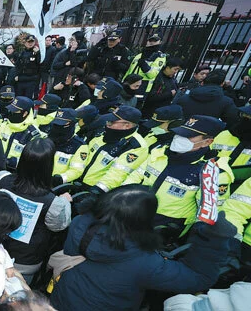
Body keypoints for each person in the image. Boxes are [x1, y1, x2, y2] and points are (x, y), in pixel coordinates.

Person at [49, 185, 236, 311]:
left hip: (62, 296)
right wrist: (214, 239)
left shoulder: (79, 223)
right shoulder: (144, 261)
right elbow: (198, 278)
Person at [125, 116, 233, 241]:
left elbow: (207, 215)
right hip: (135, 212)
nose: (179, 138)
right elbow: (135, 176)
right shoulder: (160, 152)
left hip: (165, 227)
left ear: (207, 142)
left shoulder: (213, 171)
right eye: (180, 134)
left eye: (188, 136)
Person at [0, 138, 72, 283]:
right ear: (48, 166)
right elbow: (58, 226)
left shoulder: (3, 179)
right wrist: (65, 202)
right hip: (24, 262)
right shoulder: (54, 203)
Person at [81, 106, 149, 194]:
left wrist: (98, 190)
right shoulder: (105, 132)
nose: (107, 124)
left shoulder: (136, 146)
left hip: (97, 190)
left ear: (127, 125)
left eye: (111, 122)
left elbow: (118, 173)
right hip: (78, 180)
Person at [0, 96, 42, 170]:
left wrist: (12, 162)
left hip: (15, 173)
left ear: (25, 113)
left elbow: (33, 161)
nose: (11, 112)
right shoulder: (2, 124)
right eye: (11, 110)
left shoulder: (33, 135)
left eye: (15, 111)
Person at [175, 69, 240, 127]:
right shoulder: (227, 102)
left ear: (202, 83)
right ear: (222, 84)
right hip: (207, 136)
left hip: (182, 131)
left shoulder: (184, 98)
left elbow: (173, 115)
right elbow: (232, 121)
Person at [123, 32, 167, 98]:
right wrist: (123, 81)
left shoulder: (160, 57)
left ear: (160, 42)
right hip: (128, 84)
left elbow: (151, 74)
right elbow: (129, 71)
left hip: (142, 86)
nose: (151, 42)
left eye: (155, 41)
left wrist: (143, 64)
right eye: (150, 40)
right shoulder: (139, 55)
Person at [14, 35, 41, 99]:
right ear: (25, 43)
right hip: (21, 79)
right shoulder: (22, 52)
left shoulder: (37, 53)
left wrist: (37, 53)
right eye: (29, 42)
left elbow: (39, 63)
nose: (30, 43)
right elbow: (17, 65)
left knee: (28, 99)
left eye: (32, 42)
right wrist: (16, 75)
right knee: (19, 99)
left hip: (31, 79)